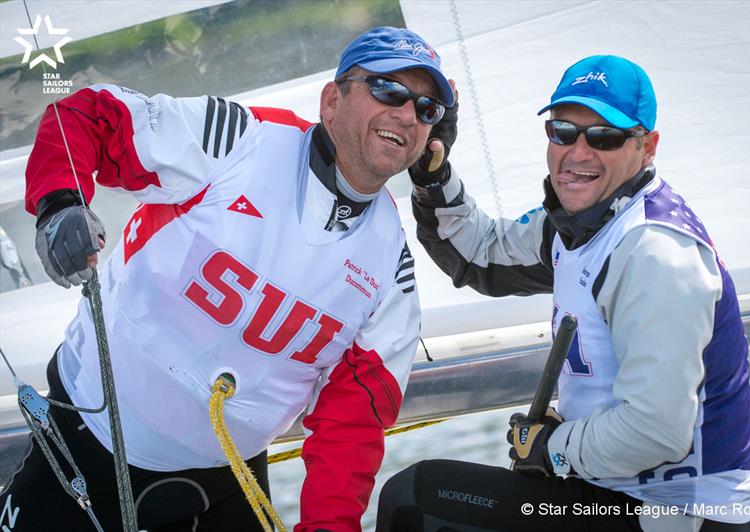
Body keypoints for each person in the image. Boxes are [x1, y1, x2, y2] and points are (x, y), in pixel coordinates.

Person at [0, 26, 455, 531]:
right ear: (332, 99)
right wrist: (59, 203)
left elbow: (354, 425)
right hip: (84, 446)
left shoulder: (391, 268)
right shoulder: (239, 140)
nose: (407, 113)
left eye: (426, 109)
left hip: (224, 483)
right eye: (388, 89)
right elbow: (89, 114)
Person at [376, 55, 750, 531]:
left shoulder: (655, 255)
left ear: (647, 147)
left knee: (417, 500)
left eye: (603, 137)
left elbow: (655, 431)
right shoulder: (580, 223)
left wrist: (551, 450)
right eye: (562, 131)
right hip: (615, 490)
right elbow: (479, 253)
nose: (577, 153)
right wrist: (433, 171)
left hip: (680, 512)